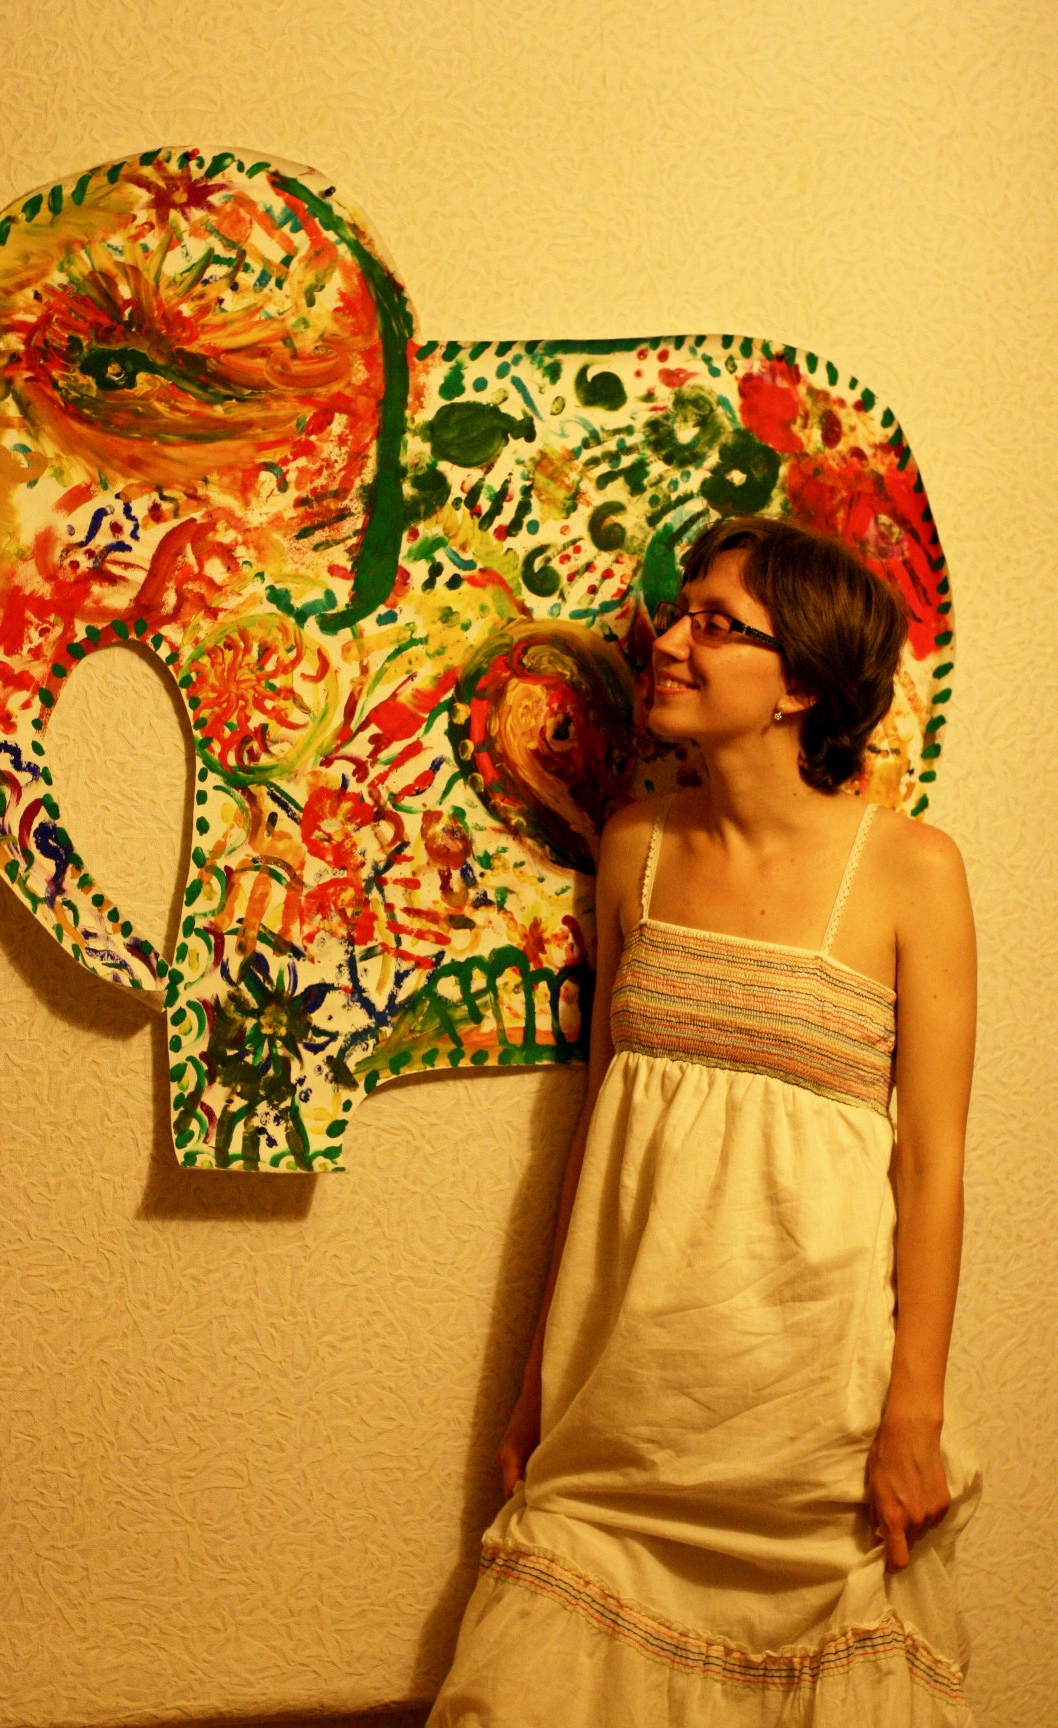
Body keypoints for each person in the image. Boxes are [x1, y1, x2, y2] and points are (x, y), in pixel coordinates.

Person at [427, 514, 981, 1727]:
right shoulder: (634, 851)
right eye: (680, 614)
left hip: (814, 1433)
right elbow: (598, 1138)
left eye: (717, 624)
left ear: (801, 685)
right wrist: (537, 1386)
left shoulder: (912, 871)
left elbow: (934, 1167)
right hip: (623, 1415)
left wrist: (915, 1413)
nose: (669, 642)